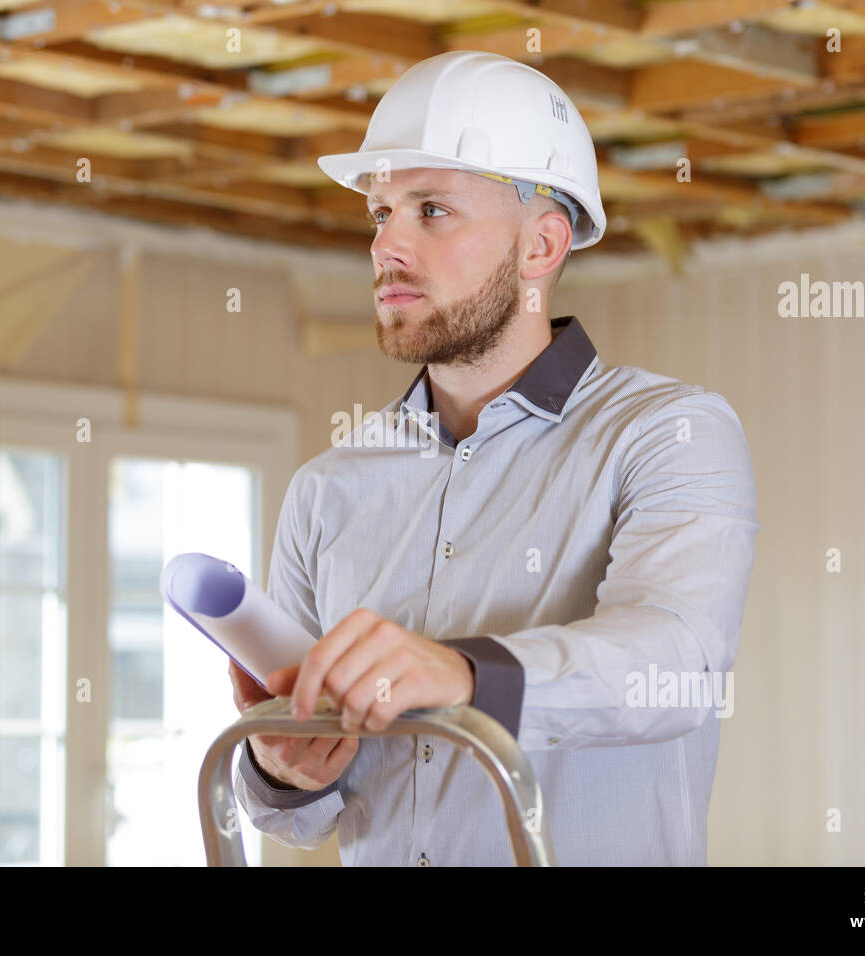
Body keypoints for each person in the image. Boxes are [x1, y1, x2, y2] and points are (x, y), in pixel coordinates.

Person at [227, 50, 759, 866]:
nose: (388, 247)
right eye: (380, 213)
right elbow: (300, 821)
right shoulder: (326, 492)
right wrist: (283, 767)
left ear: (541, 246)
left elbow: (676, 666)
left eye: (432, 209)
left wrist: (465, 678)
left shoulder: (668, 432)